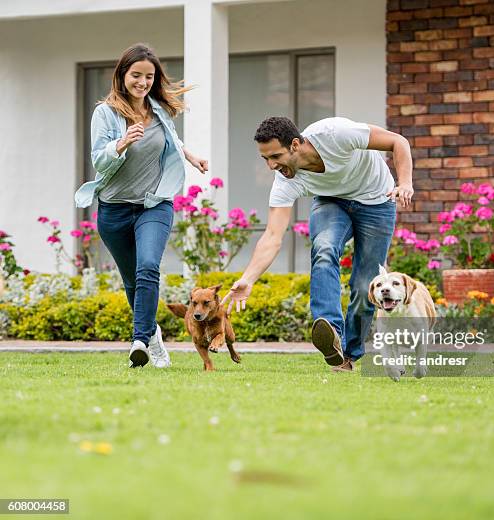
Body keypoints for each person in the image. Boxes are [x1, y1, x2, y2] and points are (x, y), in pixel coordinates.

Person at [222, 116, 413, 372]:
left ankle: (350, 353)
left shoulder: (335, 134)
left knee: (364, 283)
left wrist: (405, 183)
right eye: (265, 159)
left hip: (378, 201)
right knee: (323, 248)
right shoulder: (285, 182)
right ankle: (331, 333)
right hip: (331, 201)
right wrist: (248, 278)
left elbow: (397, 142)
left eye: (275, 156)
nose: (271, 166)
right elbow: (272, 236)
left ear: (295, 145)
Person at [75, 43, 208, 368]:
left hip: (154, 205)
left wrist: (190, 156)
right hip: (114, 210)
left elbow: (171, 139)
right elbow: (99, 160)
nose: (143, 82)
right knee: (133, 280)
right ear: (122, 75)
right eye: (137, 75)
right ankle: (153, 336)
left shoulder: (158, 109)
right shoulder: (105, 113)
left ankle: (139, 341)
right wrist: (120, 145)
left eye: (149, 76)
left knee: (148, 267)